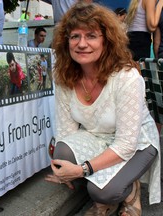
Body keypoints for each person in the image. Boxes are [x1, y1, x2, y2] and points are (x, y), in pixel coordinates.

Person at [45, 2, 161, 216]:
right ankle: (117, 179)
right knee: (62, 151)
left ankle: (130, 191)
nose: (81, 44)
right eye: (75, 36)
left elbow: (126, 143)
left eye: (91, 36)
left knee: (102, 192)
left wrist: (81, 170)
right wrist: (63, 166)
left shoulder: (126, 77)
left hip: (137, 142)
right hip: (98, 137)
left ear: (106, 41)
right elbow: (66, 131)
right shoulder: (64, 76)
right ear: (66, 41)